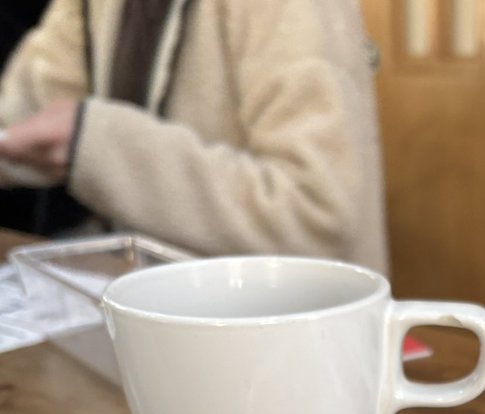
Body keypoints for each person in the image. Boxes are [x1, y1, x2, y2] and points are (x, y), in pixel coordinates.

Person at [0, 0, 388, 271]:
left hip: (284, 340)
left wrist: (97, 144)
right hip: (150, 318)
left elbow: (314, 213)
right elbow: (27, 109)